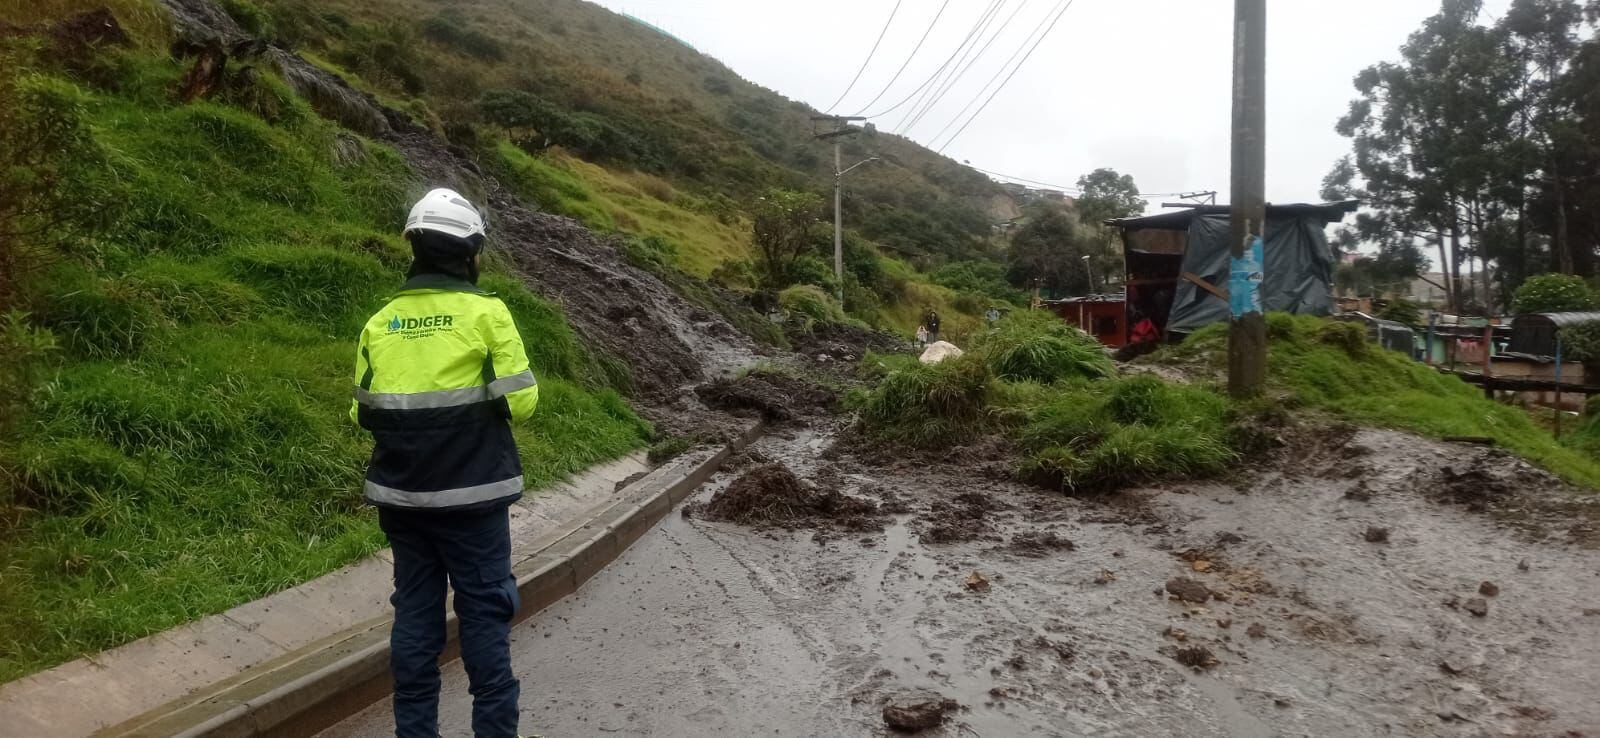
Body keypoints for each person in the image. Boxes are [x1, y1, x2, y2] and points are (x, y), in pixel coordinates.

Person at [350, 188, 538, 738]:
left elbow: (361, 412)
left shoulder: (379, 322)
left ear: (414, 247)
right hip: (473, 501)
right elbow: (522, 402)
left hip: (403, 500)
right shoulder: (487, 313)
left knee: (414, 615)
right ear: (471, 252)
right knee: (484, 618)